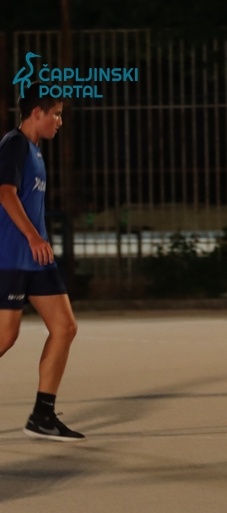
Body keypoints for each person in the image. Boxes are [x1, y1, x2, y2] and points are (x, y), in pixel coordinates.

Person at [0, 83, 84, 441]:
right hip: (11, 256)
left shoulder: (34, 150)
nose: (59, 121)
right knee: (5, 337)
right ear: (37, 113)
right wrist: (34, 236)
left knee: (65, 327)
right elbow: (5, 193)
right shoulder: (14, 144)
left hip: (37, 259)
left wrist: (39, 241)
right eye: (56, 114)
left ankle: (42, 415)